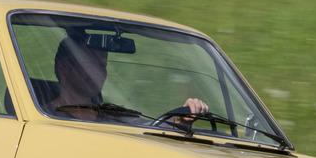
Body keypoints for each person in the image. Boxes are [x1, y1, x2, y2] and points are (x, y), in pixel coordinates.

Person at [49, 36, 208, 121]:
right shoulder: (47, 115)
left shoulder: (114, 115)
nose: (98, 72)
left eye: (102, 65)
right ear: (63, 67)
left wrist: (178, 121)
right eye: (90, 64)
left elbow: (150, 130)